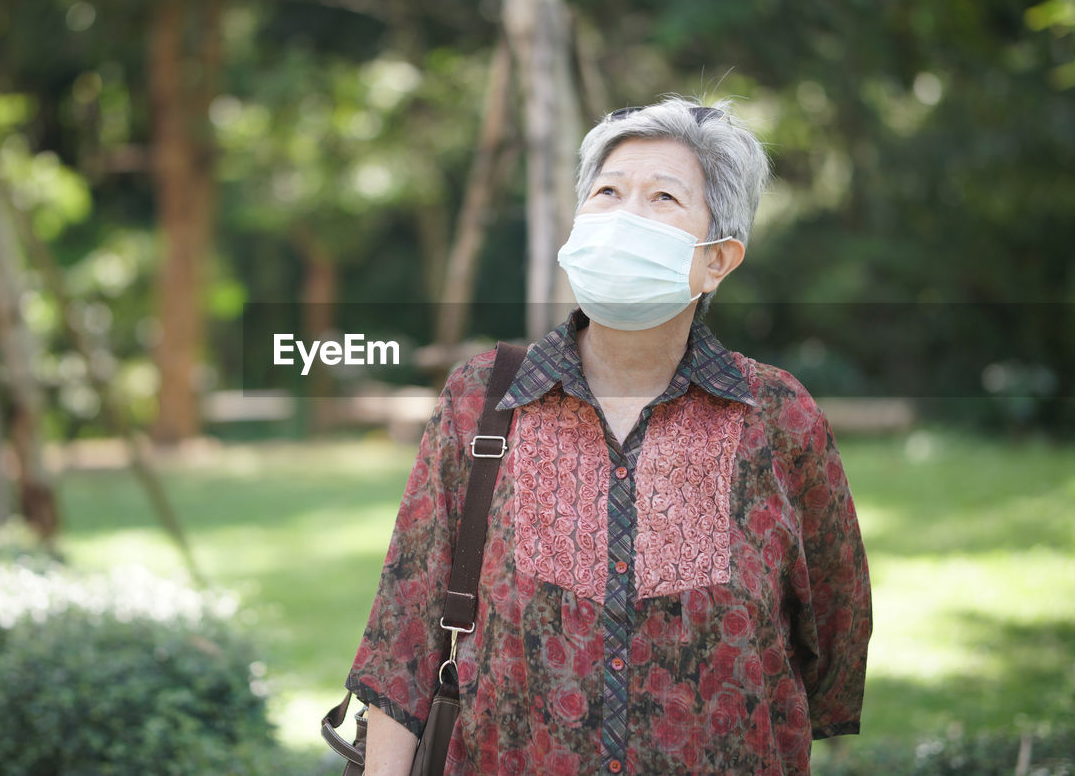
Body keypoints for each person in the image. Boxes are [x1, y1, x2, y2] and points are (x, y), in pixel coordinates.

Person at [345, 97, 872, 775]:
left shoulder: (778, 415)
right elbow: (405, 633)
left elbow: (831, 633)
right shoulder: (481, 398)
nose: (625, 216)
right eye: (608, 191)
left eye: (662, 198)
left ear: (717, 260)